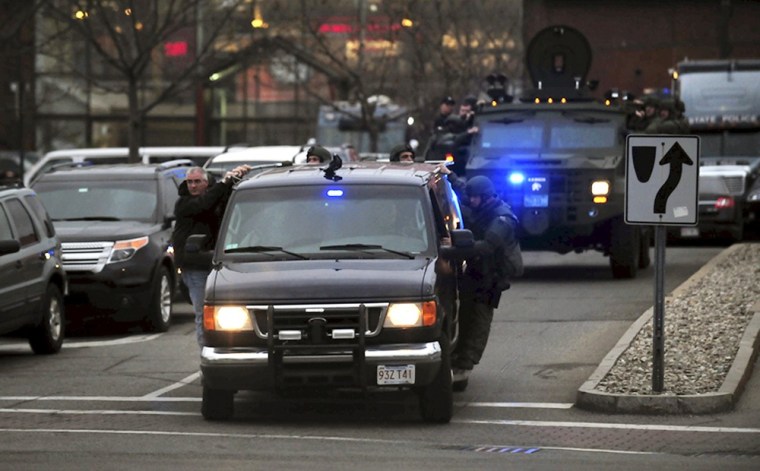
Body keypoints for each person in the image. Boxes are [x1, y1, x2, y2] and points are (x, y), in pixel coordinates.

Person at [438, 169, 519, 383]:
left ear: (486, 197)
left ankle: (465, 365)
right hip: (475, 274)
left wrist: (448, 251)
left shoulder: (502, 218)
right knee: (464, 317)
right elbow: (467, 191)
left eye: (476, 197)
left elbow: (486, 247)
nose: (471, 200)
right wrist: (450, 176)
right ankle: (457, 358)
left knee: (478, 322)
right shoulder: (482, 203)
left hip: (490, 278)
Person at [173, 164, 252, 346]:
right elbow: (204, 204)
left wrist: (233, 180)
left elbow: (223, 205)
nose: (193, 186)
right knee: (203, 314)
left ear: (206, 183)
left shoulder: (212, 196)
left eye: (197, 182)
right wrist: (223, 183)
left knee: (227, 315)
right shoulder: (184, 203)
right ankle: (206, 354)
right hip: (194, 268)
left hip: (217, 264)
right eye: (190, 182)